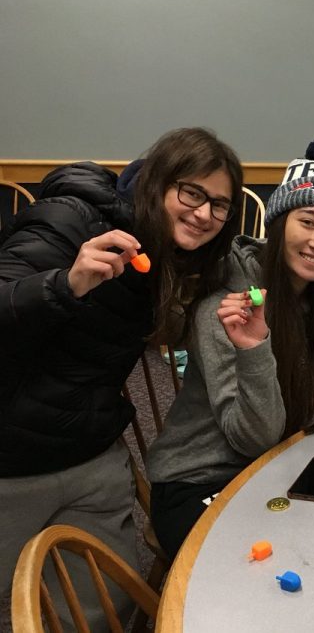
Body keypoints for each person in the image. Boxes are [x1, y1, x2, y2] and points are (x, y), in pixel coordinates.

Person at [0, 127, 243, 625]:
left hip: (92, 451)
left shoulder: (168, 255)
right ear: (156, 183)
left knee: (115, 605)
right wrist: (64, 285)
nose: (204, 214)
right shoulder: (71, 222)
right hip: (12, 461)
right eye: (192, 192)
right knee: (15, 610)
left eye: (219, 205)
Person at [147, 158, 314, 559]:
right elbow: (253, 437)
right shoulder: (226, 301)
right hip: (200, 479)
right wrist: (253, 347)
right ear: (278, 223)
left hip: (282, 462)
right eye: (307, 222)